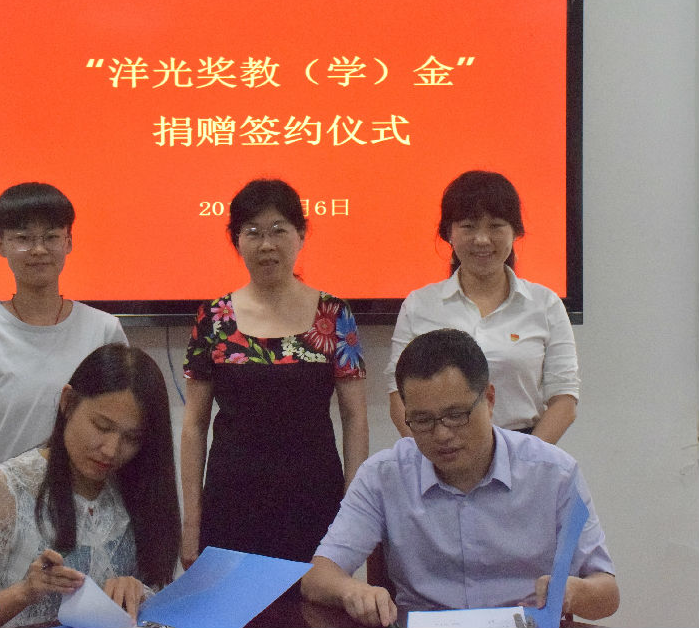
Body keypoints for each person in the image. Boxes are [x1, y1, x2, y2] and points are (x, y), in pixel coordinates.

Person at [302, 329, 618, 628]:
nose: (442, 434)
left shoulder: (554, 473)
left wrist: (574, 592)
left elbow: (607, 593)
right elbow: (317, 577)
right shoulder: (383, 476)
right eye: (422, 420)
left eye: (456, 415)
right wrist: (351, 591)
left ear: (489, 399)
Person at [181, 178, 368, 567]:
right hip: (231, 500)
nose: (267, 245)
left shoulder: (334, 314)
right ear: (236, 241)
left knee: (313, 600)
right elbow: (194, 425)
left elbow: (355, 418)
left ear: (301, 235)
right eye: (253, 232)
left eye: (279, 230)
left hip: (314, 497)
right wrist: (192, 521)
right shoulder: (213, 317)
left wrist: (353, 513)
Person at [0, 343, 180, 628]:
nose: (111, 450)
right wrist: (23, 592)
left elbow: (162, 602)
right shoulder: (7, 487)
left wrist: (139, 592)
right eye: (101, 426)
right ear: (68, 403)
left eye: (132, 438)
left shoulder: (136, 488)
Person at [0, 182, 127, 490]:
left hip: (82, 503)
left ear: (68, 242)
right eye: (23, 238)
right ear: (0, 245)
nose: (38, 250)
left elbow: (120, 422)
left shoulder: (103, 329)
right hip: (0, 506)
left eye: (51, 237)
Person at [384, 170, 579, 443]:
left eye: (496, 226)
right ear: (449, 233)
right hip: (440, 448)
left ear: (515, 232)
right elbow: (398, 394)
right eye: (468, 226)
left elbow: (564, 399)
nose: (482, 239)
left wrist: (523, 459)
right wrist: (433, 452)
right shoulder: (419, 305)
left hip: (523, 450)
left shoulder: (545, 304)